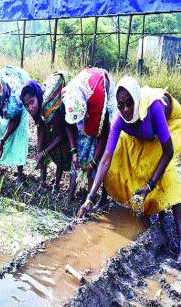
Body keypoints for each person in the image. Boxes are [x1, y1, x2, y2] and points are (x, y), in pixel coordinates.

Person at [78, 76, 181, 263]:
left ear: (136, 98)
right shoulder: (119, 119)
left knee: (171, 180)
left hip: (169, 127)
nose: (125, 109)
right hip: (142, 134)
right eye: (120, 105)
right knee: (117, 159)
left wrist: (149, 185)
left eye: (129, 103)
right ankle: (147, 206)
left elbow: (168, 151)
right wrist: (89, 199)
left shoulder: (154, 107)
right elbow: (105, 161)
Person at [62, 67, 116, 200]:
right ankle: (70, 194)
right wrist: (74, 151)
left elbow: (103, 136)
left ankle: (95, 197)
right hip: (87, 95)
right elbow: (69, 125)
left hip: (105, 90)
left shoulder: (99, 104)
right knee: (82, 144)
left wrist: (92, 163)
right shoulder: (68, 98)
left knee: (99, 151)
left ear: (86, 112)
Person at [20, 73, 77, 201]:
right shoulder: (37, 110)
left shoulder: (48, 109)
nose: (30, 108)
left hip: (64, 126)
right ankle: (43, 181)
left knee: (60, 151)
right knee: (43, 149)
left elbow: (61, 135)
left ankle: (56, 185)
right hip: (51, 124)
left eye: (32, 102)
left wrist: (44, 152)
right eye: (26, 105)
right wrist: (39, 151)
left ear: (37, 97)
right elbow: (40, 127)